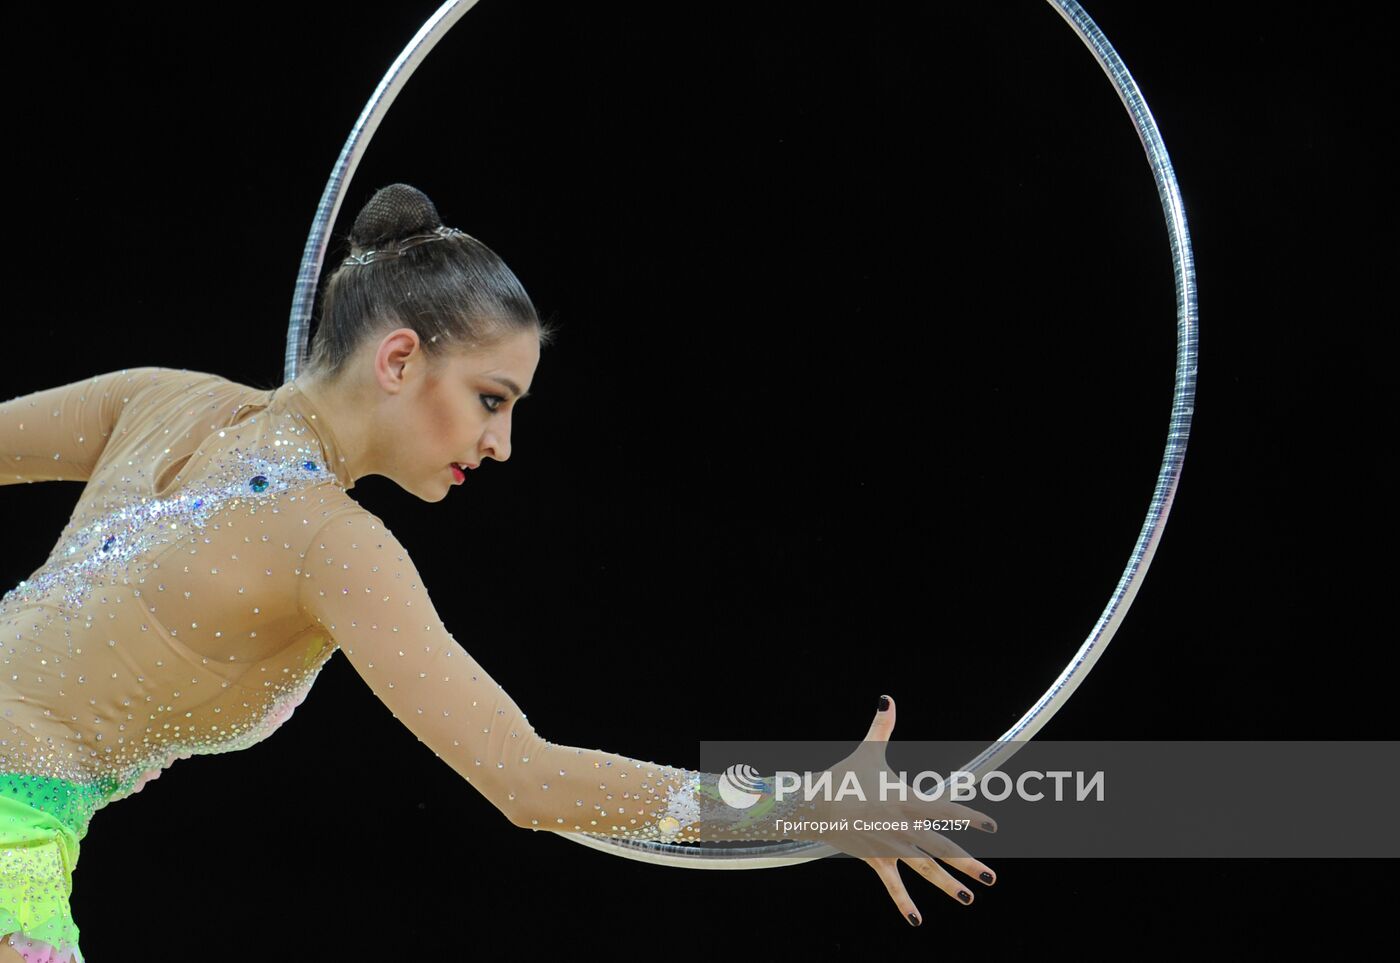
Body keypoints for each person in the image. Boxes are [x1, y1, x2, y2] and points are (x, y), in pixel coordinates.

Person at [0, 184, 994, 959]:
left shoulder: (159, 398)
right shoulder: (332, 544)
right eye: (490, 397)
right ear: (397, 361)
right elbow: (528, 780)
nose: (503, 441)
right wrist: (804, 804)